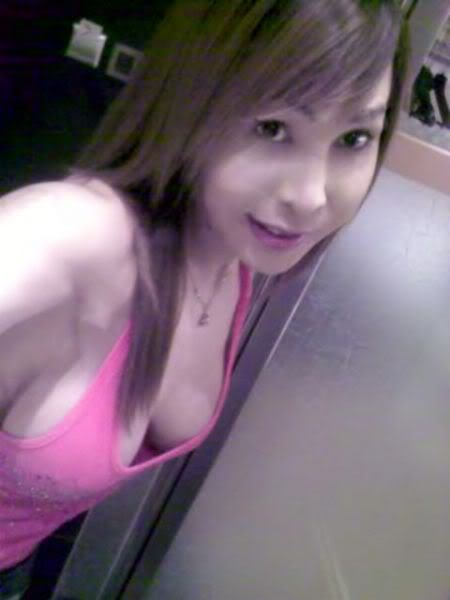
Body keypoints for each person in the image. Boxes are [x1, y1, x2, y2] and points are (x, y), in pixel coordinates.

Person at [0, 0, 410, 597]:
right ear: (192, 104)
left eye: (354, 138)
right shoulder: (78, 236)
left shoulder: (229, 256)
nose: (311, 195)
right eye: (272, 128)